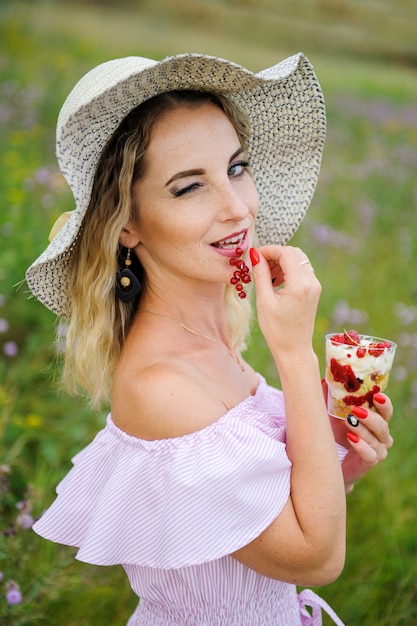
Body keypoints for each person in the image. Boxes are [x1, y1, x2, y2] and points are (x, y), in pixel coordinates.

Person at [26, 52, 394, 625]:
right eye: (188, 187)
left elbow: (261, 532)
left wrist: (336, 462)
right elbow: (317, 559)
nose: (236, 207)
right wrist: (295, 355)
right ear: (127, 222)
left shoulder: (213, 345)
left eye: (237, 168)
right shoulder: (160, 387)